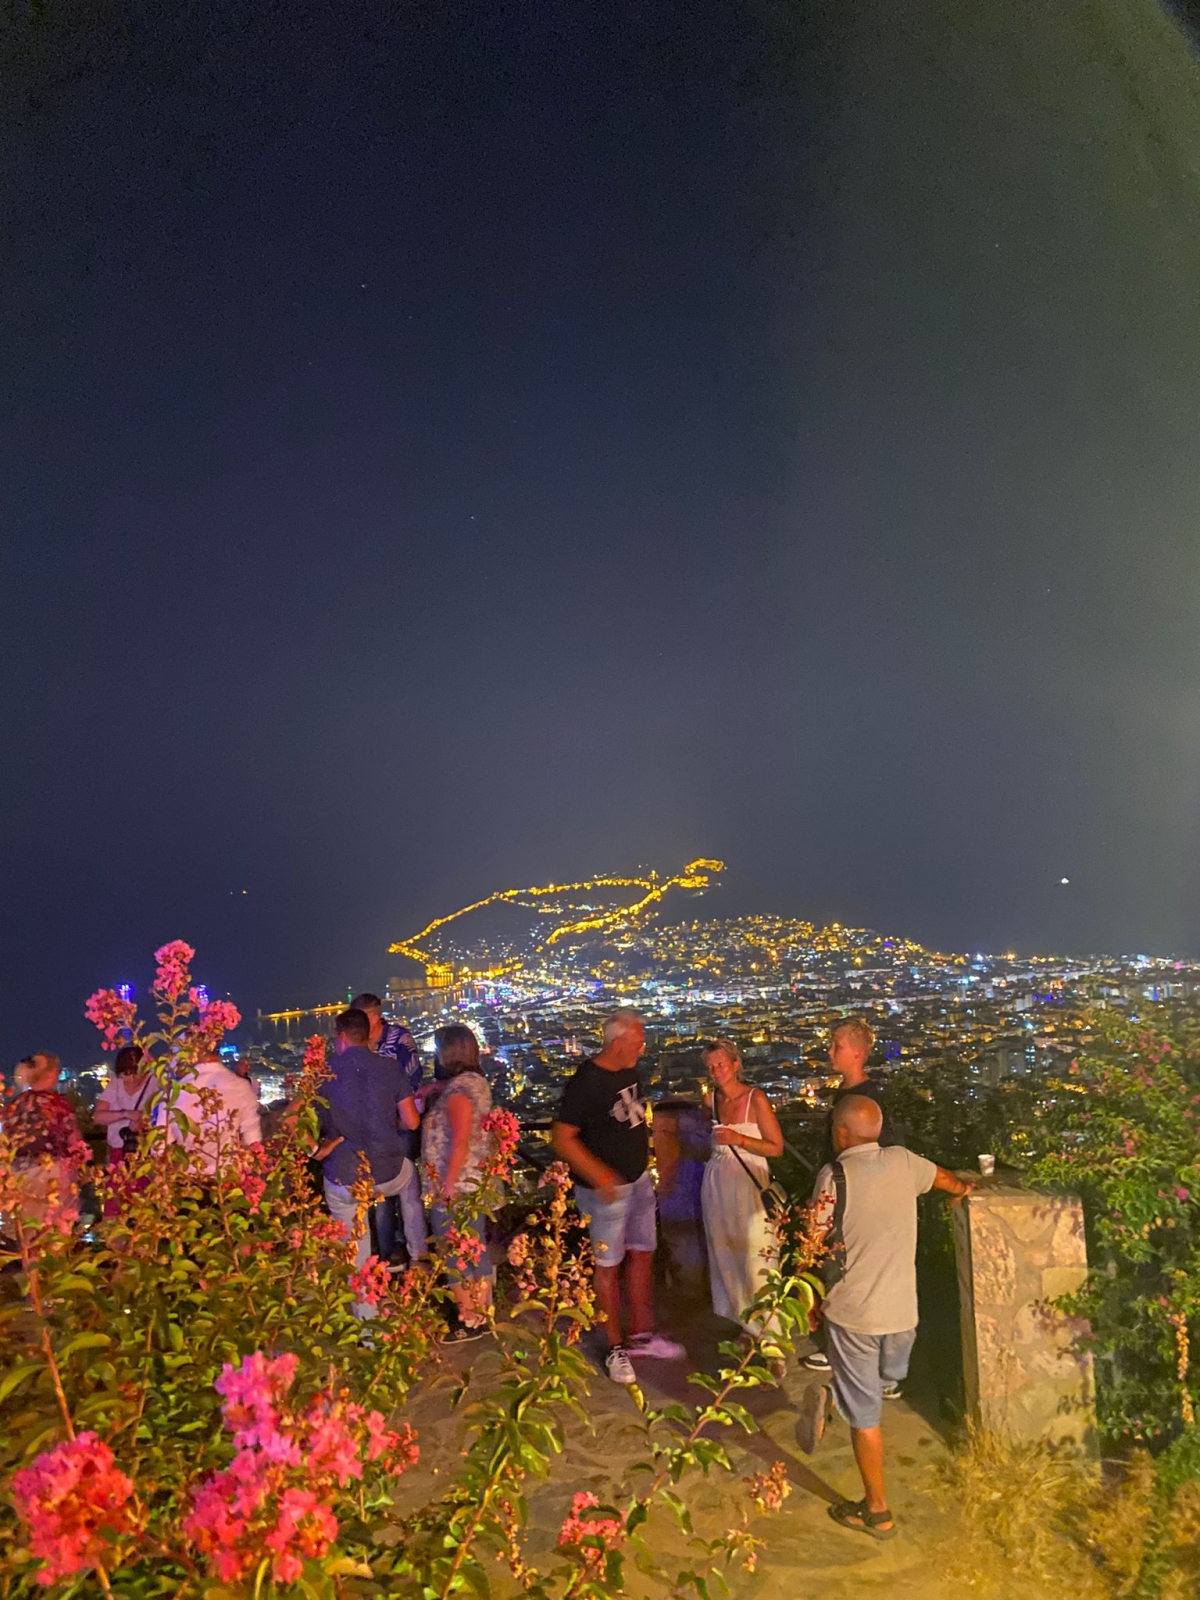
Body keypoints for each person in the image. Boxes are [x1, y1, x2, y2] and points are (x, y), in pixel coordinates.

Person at [796, 1095, 972, 1539]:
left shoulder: (834, 1176)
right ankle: (846, 1392)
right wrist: (962, 1193)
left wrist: (807, 1296)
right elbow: (949, 1181)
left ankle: (877, 1511)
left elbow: (812, 1242)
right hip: (902, 1311)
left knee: (866, 1416)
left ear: (840, 1133)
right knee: (888, 1378)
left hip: (853, 1312)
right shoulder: (904, 1162)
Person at [552, 1011, 685, 1384]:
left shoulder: (630, 1072)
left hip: (638, 1181)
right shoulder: (586, 1082)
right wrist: (600, 1175)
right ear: (617, 1042)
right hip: (605, 1191)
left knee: (643, 1252)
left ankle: (641, 1334)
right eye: (637, 1042)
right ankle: (613, 1347)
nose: (642, 1049)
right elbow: (562, 1137)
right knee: (607, 1266)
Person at [804, 1016, 897, 1375]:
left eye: (837, 1046)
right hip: (843, 1194)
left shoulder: (866, 1099)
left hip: (851, 1200)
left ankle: (846, 1351)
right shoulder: (855, 1095)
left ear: (857, 1053)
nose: (830, 1052)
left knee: (845, 1275)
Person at [317, 1007, 419, 1319]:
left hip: (345, 1177)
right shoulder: (390, 1068)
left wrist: (318, 1149)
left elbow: (297, 1121)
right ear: (367, 1034)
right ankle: (418, 1254)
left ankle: (367, 1322)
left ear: (341, 1037)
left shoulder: (324, 1073)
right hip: (388, 1173)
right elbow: (412, 1122)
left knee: (355, 1248)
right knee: (411, 1181)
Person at [699, 1038, 784, 1332]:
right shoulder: (711, 1101)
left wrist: (740, 1139)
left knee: (756, 1255)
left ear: (736, 1065)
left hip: (748, 1183)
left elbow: (776, 1147)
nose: (716, 1071)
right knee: (726, 1256)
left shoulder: (754, 1099)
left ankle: (770, 1332)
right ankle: (745, 1325)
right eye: (711, 1067)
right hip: (717, 1183)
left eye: (721, 1064)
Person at [420, 1023, 497, 1341]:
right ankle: (483, 1314)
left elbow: (461, 1139)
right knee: (474, 1249)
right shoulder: (475, 1082)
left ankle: (468, 1318)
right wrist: (436, 1088)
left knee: (454, 1253)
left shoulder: (458, 1092)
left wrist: (446, 1187)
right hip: (474, 1183)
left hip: (457, 1186)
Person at [351, 993, 426, 1265]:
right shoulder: (358, 1045)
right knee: (382, 1194)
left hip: (400, 1125)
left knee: (406, 1189)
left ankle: (414, 1250)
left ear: (374, 1017)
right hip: (373, 1131)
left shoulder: (399, 1040)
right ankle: (389, 1253)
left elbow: (412, 1083)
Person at [4, 1053, 88, 1229]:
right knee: (54, 1228)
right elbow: (73, 1139)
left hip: (19, 1174)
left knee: (28, 1228)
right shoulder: (56, 1103)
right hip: (52, 1174)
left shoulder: (16, 1104)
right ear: (49, 1074)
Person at [156, 1048, 263, 1172]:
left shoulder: (173, 1093)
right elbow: (253, 1143)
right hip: (227, 1176)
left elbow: (159, 1149)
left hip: (185, 1177)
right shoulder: (241, 1087)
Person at [93, 1046, 155, 1165]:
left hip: (145, 1153)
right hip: (119, 1151)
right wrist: (125, 1114)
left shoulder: (154, 1084)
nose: (131, 1079)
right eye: (126, 1074)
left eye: (136, 1074)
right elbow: (98, 1117)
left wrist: (143, 1122)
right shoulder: (115, 1084)